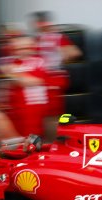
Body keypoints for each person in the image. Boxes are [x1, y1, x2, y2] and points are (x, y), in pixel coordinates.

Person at [30, 11, 82, 140]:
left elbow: (75, 52)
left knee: (51, 115)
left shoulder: (55, 37)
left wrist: (61, 58)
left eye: (40, 22)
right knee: (41, 114)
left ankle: (52, 143)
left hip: (52, 78)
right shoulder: (36, 39)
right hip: (38, 80)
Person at [0, 34, 49, 137]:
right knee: (14, 140)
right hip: (13, 108)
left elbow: (34, 81)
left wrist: (12, 73)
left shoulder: (38, 61)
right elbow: (3, 85)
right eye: (18, 48)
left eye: (25, 47)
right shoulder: (9, 62)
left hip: (32, 108)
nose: (22, 51)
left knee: (31, 139)